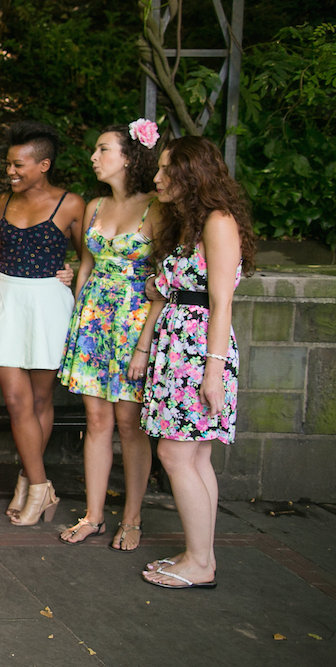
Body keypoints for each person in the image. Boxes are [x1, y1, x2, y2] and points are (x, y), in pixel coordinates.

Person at [140, 136, 256, 589]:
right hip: (179, 343)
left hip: (197, 348)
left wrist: (212, 371)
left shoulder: (218, 221)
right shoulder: (192, 222)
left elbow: (221, 302)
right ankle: (200, 556)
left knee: (174, 452)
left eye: (166, 169)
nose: (157, 177)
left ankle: (199, 563)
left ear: (191, 174)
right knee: (196, 454)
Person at [0, 121, 85, 527]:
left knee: (39, 402)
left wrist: (72, 273)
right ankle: (42, 486)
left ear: (44, 164)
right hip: (6, 302)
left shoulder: (71, 204)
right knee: (17, 402)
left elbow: (89, 257)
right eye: (8, 165)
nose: (11, 172)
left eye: (19, 165)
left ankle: (26, 480)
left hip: (49, 306)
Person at [57, 120, 162, 550]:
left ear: (129, 156)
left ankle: (133, 519)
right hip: (94, 322)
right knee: (96, 421)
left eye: (103, 150)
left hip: (135, 324)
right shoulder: (96, 206)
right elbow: (86, 264)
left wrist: (145, 342)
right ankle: (94, 516)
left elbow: (165, 280)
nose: (94, 157)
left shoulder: (158, 208)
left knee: (129, 424)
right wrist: (76, 314)